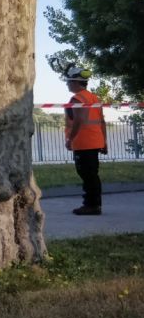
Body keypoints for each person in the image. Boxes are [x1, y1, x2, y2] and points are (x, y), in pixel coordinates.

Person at [62, 65, 108, 216]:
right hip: (95, 141)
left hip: (83, 142)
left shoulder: (77, 98)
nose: (67, 84)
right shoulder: (93, 97)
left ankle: (91, 205)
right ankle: (94, 204)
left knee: (87, 175)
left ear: (75, 82)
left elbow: (79, 121)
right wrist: (104, 141)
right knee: (92, 174)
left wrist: (70, 139)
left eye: (68, 82)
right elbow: (101, 121)